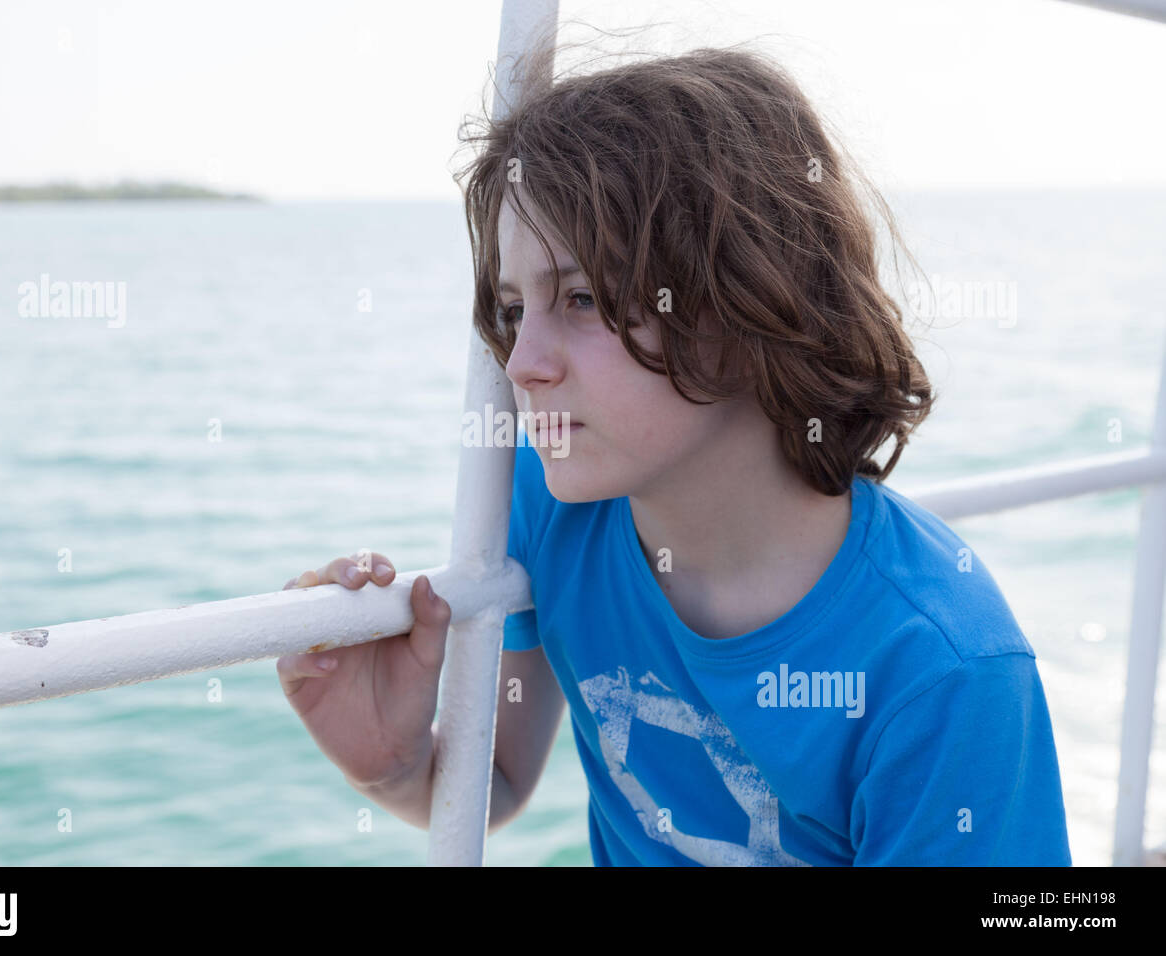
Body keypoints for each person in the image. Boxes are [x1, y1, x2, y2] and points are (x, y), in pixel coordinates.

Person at [276, 43, 1072, 866]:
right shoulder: (551, 505)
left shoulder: (943, 672)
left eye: (581, 299)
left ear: (753, 301)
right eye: (515, 311)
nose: (521, 364)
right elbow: (503, 777)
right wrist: (393, 766)